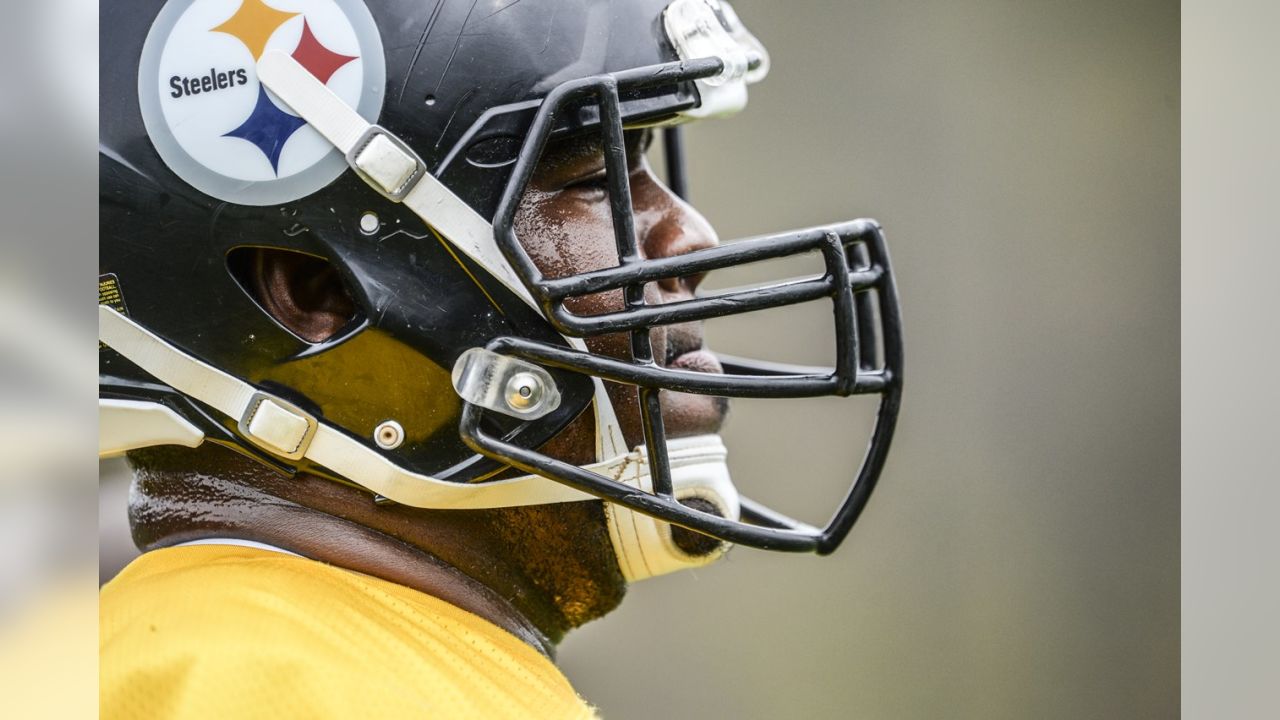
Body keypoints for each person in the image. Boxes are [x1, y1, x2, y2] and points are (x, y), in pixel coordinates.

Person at [99, 0, 903, 717]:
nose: (692, 238)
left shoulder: (349, 654)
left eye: (644, 159)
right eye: (592, 178)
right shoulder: (265, 689)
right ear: (324, 295)